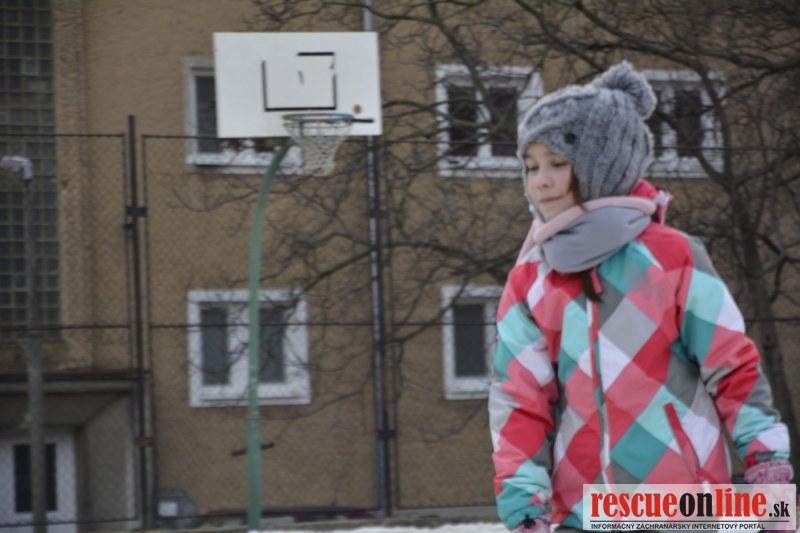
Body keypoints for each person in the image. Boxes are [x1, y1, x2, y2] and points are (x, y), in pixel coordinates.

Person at [488, 61, 793, 532]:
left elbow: (733, 366)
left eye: (558, 163)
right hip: (585, 514)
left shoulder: (672, 257)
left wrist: (768, 468)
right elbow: (520, 400)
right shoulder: (530, 279)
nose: (541, 179)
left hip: (686, 508)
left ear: (603, 165)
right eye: (531, 166)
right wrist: (524, 506)